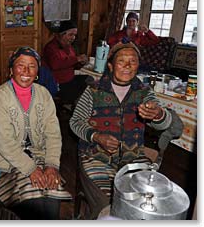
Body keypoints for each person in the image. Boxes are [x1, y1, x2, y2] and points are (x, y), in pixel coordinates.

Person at [69, 42, 173, 199]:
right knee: (109, 201)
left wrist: (158, 114)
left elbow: (165, 122)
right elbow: (75, 122)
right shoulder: (94, 91)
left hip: (134, 157)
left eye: (132, 61)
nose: (127, 66)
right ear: (110, 66)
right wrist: (97, 136)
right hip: (96, 156)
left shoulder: (144, 92)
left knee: (143, 200)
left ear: (138, 66)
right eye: (121, 61)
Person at [0, 46, 72, 220]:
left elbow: (53, 134)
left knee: (51, 188)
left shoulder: (43, 95)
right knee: (34, 199)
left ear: (38, 71)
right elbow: (5, 144)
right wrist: (32, 169)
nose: (26, 71)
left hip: (38, 157)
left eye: (32, 66)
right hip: (5, 162)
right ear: (11, 70)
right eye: (20, 65)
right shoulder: (0, 97)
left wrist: (51, 165)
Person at [42, 20, 93, 105]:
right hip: (58, 84)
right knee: (84, 87)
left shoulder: (69, 47)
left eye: (74, 35)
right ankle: (73, 106)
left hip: (70, 79)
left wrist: (81, 63)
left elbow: (71, 64)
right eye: (70, 35)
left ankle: (78, 106)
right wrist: (77, 59)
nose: (73, 38)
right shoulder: (51, 47)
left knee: (90, 79)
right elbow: (55, 64)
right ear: (61, 34)